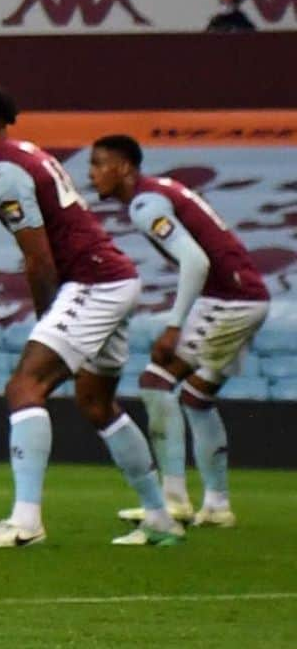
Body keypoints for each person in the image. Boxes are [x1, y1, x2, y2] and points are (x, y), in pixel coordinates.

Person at [0, 80, 182, 548]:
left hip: (93, 281)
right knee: (95, 403)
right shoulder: (27, 154)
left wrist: (45, 317)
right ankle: (159, 517)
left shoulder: (4, 173)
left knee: (24, 386)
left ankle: (26, 522)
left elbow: (39, 258)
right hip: (115, 277)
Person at [89, 134, 271, 528]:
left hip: (230, 299)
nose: (92, 175)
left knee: (156, 381)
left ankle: (172, 500)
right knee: (196, 398)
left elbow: (195, 261)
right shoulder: (160, 192)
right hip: (243, 293)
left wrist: (173, 327)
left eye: (98, 164)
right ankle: (218, 506)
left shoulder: (145, 203)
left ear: (123, 167)